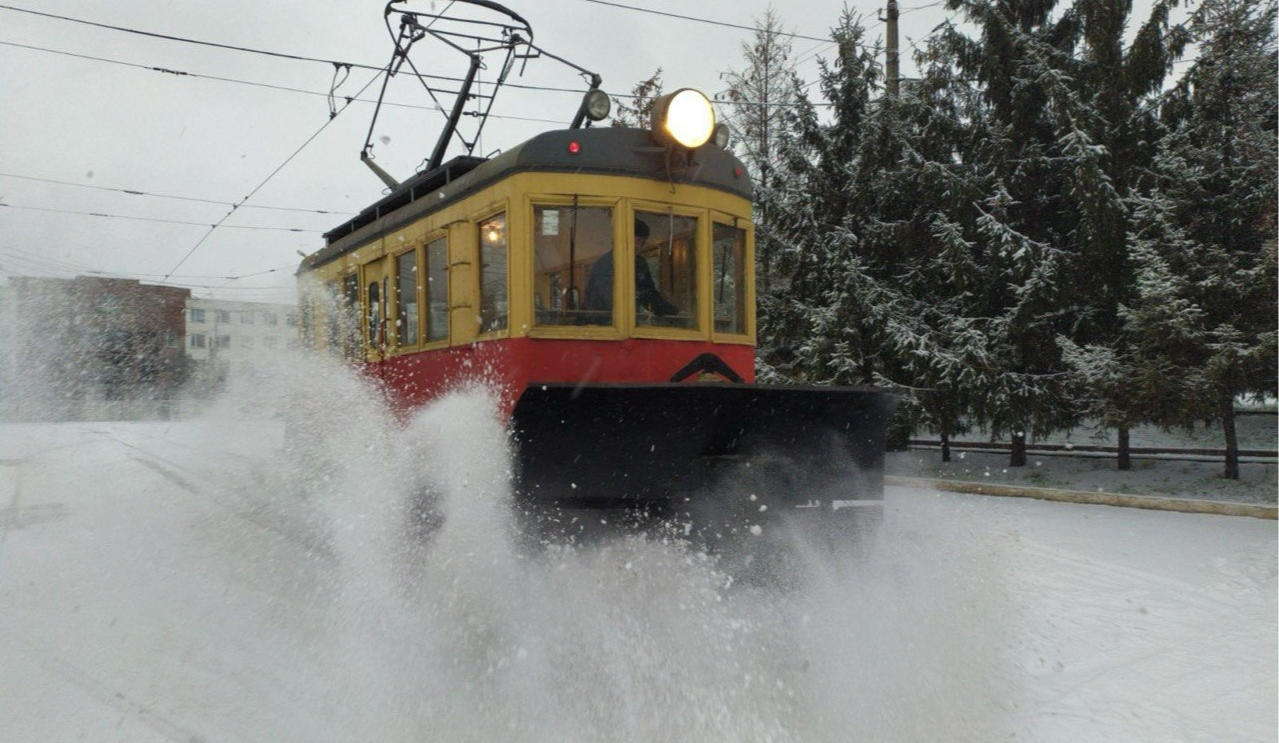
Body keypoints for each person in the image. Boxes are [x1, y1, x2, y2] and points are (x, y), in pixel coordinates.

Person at [584, 218, 679, 317]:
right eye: (638, 240)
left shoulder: (640, 264)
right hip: (603, 323)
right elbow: (610, 299)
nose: (639, 246)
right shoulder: (604, 264)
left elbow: (650, 295)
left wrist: (674, 313)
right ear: (625, 238)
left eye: (643, 243)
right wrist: (640, 295)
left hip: (630, 321)